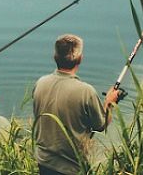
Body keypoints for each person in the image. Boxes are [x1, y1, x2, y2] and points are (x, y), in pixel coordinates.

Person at [33, 34, 121, 175]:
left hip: (44, 162)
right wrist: (109, 103)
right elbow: (101, 125)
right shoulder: (86, 91)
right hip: (72, 168)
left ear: (55, 57)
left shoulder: (40, 83)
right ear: (80, 59)